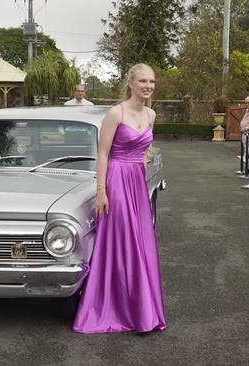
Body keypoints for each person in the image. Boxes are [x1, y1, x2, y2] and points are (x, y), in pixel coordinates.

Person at [73, 63, 166, 334]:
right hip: (115, 179)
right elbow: (102, 154)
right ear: (131, 83)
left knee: (140, 240)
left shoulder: (151, 114)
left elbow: (145, 152)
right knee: (125, 241)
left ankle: (141, 310)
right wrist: (101, 191)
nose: (148, 86)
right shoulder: (116, 113)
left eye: (151, 81)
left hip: (136, 182)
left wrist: (144, 184)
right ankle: (121, 309)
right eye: (143, 81)